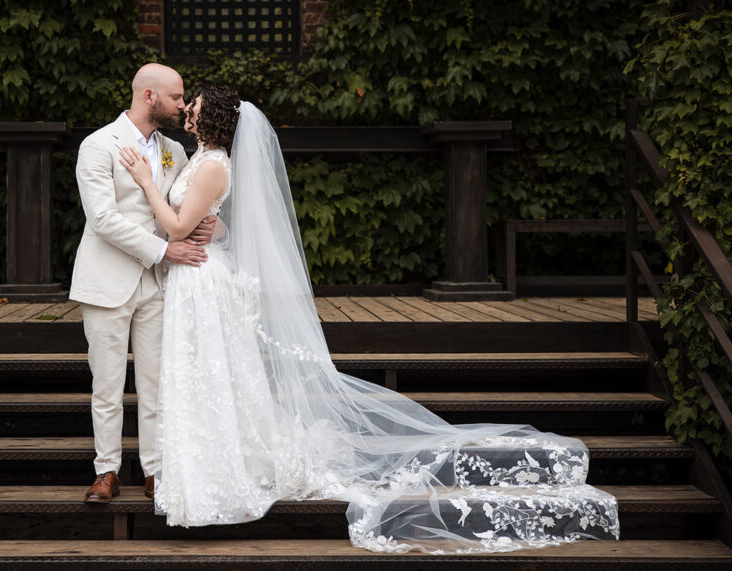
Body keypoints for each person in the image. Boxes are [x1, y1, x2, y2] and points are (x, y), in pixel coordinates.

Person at [117, 84, 621, 553]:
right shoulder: (202, 158)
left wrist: (146, 182)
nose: (188, 108)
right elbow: (212, 223)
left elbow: (177, 224)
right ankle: (198, 476)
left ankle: (215, 480)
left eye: (196, 103)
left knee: (206, 374)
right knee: (201, 377)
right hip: (195, 277)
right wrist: (211, 225)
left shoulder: (213, 164)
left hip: (201, 282)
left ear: (215, 116)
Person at [71, 63, 216, 504]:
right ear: (149, 96)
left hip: (157, 284)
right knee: (108, 386)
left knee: (156, 384)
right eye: (176, 97)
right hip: (106, 280)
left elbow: (184, 206)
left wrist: (207, 227)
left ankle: (155, 472)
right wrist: (164, 250)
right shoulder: (98, 145)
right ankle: (106, 472)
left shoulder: (174, 149)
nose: (182, 104)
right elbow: (102, 219)